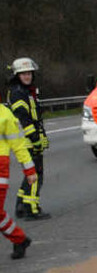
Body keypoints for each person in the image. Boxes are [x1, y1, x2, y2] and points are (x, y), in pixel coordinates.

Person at [6, 57, 49, 220]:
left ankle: (21, 206)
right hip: (27, 141)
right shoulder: (18, 93)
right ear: (17, 75)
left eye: (29, 73)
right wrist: (36, 140)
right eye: (23, 73)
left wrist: (41, 135)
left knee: (29, 174)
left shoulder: (26, 91)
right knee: (35, 175)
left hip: (28, 139)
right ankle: (32, 209)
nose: (27, 76)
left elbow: (35, 117)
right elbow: (25, 120)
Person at [0, 102, 36, 258]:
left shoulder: (5, 115)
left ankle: (19, 239)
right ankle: (19, 238)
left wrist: (29, 170)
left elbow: (19, 145)